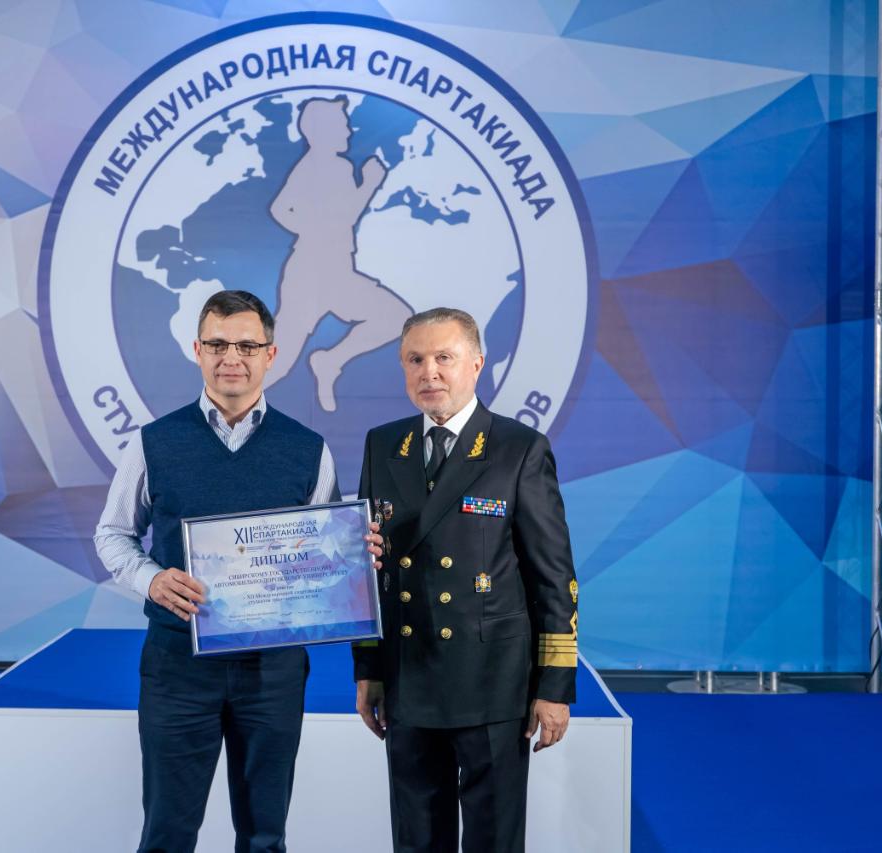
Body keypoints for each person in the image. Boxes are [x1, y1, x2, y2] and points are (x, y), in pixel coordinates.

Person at [95, 289, 374, 853]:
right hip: (178, 667)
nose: (232, 358)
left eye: (247, 346)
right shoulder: (153, 443)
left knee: (265, 837)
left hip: (272, 672)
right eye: (218, 344)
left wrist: (353, 555)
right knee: (167, 834)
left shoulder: (308, 449)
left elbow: (326, 558)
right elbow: (113, 534)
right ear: (197, 350)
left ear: (271, 355)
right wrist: (152, 579)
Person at [352, 307, 579, 853]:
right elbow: (370, 571)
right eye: (415, 360)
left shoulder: (519, 448)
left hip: (492, 681)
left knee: (492, 841)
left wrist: (553, 686)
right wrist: (369, 669)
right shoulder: (384, 445)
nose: (429, 372)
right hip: (410, 677)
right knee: (416, 840)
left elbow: (553, 576)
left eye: (444, 358)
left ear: (476, 364)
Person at [264, 96, 412, 412]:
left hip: (337, 273)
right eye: (343, 125)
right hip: (308, 273)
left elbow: (340, 217)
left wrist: (317, 224)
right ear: (324, 131)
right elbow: (282, 209)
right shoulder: (316, 167)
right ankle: (224, 412)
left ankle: (330, 361)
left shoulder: (337, 167)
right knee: (280, 362)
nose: (349, 130)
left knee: (395, 317)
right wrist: (370, 183)